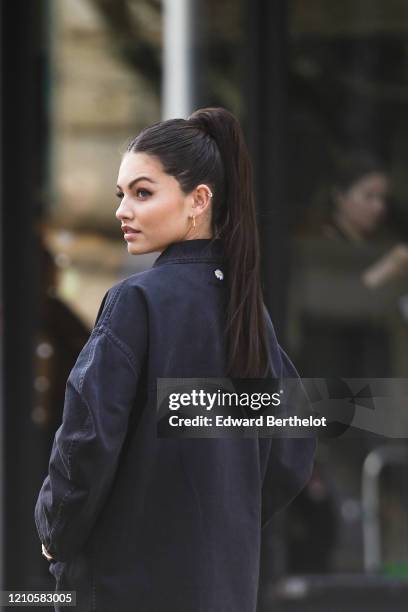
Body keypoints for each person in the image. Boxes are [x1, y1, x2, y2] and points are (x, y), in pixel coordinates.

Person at [35, 107, 316, 612]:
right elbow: (293, 452)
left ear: (198, 201)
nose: (123, 210)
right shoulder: (247, 314)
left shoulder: (137, 303)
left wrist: (56, 529)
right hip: (223, 588)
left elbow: (87, 437)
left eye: (143, 193)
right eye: (120, 195)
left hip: (125, 587)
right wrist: (226, 520)